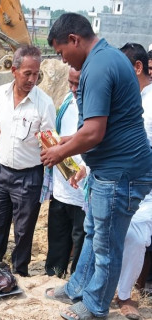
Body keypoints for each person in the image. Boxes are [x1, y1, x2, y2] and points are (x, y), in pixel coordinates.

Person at [43, 13, 152, 320]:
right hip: (113, 170)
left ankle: (95, 306)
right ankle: (78, 286)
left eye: (63, 53)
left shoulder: (99, 66)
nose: (64, 61)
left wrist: (58, 153)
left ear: (74, 40)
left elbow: (94, 132)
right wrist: (65, 140)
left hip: (120, 173)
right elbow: (99, 124)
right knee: (94, 232)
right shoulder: (105, 58)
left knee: (107, 246)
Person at [0, 45, 55, 277]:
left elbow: (50, 143)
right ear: (14, 70)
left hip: (29, 176)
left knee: (24, 231)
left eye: (36, 74)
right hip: (2, 173)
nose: (32, 79)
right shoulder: (1, 94)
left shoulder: (44, 104)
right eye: (27, 73)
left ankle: (20, 272)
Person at [115, 42, 152, 320]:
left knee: (136, 236)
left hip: (146, 185)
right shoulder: (125, 97)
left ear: (137, 68)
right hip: (120, 179)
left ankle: (125, 294)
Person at [42, 67, 86, 278]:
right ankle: (54, 274)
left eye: (78, 84)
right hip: (61, 183)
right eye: (71, 83)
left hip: (83, 189)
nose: (73, 88)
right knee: (58, 234)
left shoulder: (99, 107)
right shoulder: (68, 101)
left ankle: (76, 279)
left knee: (80, 238)